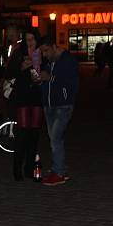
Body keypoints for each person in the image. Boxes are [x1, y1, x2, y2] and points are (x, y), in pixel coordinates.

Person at [38, 37, 79, 186]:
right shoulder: (50, 60)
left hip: (63, 105)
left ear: (54, 47)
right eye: (42, 52)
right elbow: (48, 80)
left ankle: (59, 172)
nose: (44, 55)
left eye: (46, 51)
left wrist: (51, 78)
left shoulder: (68, 60)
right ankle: (60, 169)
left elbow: (72, 83)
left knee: (55, 138)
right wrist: (40, 79)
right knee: (55, 139)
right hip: (49, 104)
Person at [6, 29, 43, 181]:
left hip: (36, 98)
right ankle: (17, 168)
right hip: (22, 98)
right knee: (22, 134)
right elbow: (8, 73)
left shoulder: (41, 54)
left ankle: (29, 168)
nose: (30, 43)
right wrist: (21, 68)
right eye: (27, 39)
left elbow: (44, 74)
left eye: (32, 39)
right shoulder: (18, 53)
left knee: (34, 135)